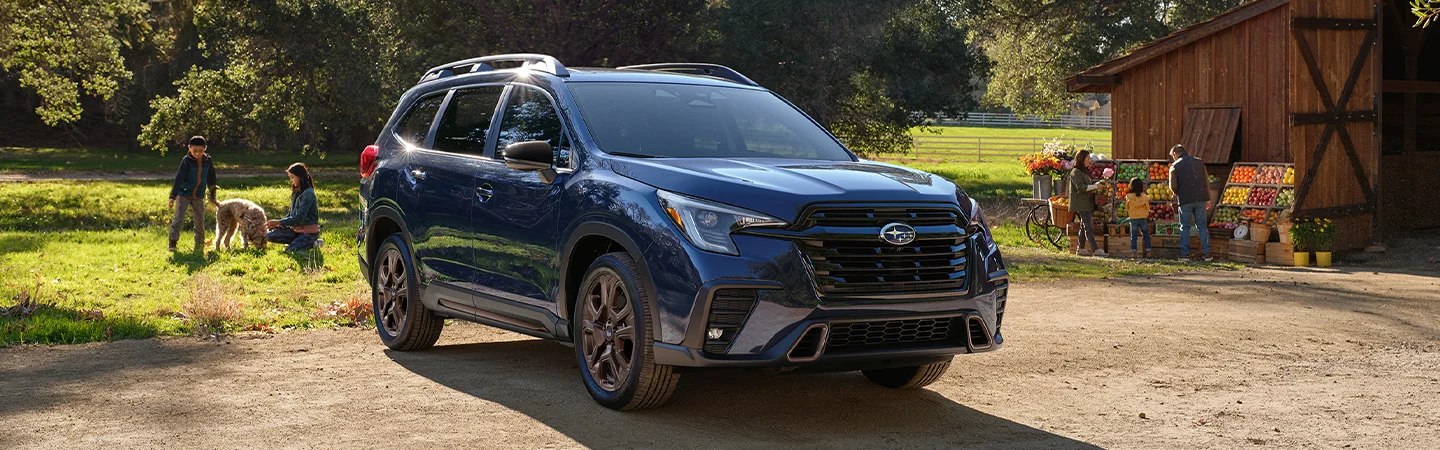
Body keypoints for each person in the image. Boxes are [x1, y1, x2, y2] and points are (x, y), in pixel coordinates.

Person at [168, 136, 219, 252]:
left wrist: (212, 194)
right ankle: (173, 242)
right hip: (184, 194)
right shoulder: (186, 161)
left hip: (198, 195)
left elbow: (211, 178)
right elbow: (179, 178)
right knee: (179, 218)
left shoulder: (207, 161)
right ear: (189, 148)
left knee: (199, 220)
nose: (197, 154)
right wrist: (173, 196)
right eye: (194, 151)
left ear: (205, 149)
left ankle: (200, 242)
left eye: (200, 151)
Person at [1168, 144, 1212, 261]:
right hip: (1201, 199)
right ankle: (1207, 253)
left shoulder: (1175, 166)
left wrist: (1177, 193)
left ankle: (1185, 254)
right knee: (1202, 227)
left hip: (1185, 200)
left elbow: (1173, 186)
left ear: (1175, 154)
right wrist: (1207, 198)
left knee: (1185, 227)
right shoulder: (1199, 162)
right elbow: (1206, 181)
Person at [266, 163, 323, 251]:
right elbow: (291, 214)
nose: (291, 180)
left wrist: (279, 222)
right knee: (269, 236)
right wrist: (279, 225)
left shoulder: (308, 194)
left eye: (292, 177)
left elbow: (299, 218)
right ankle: (299, 242)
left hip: (308, 232)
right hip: (295, 230)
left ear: (300, 177)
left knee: (290, 250)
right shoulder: (296, 192)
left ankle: (313, 242)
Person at [1068, 150, 1106, 256]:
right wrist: (1095, 186)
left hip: (1086, 202)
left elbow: (1087, 185)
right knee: (1089, 226)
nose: (1089, 161)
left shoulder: (1083, 171)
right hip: (1081, 203)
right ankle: (1096, 249)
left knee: (1084, 226)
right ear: (1081, 160)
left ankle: (1080, 249)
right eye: (1087, 159)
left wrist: (1097, 184)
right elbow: (1080, 188)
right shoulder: (1075, 172)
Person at [1125, 177, 1153, 258]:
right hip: (1143, 218)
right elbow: (1148, 208)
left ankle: (1134, 253)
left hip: (1133, 218)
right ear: (1141, 187)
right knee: (1146, 235)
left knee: (1134, 237)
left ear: (1131, 187)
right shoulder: (1144, 197)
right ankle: (1148, 252)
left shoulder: (1129, 197)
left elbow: (1127, 207)